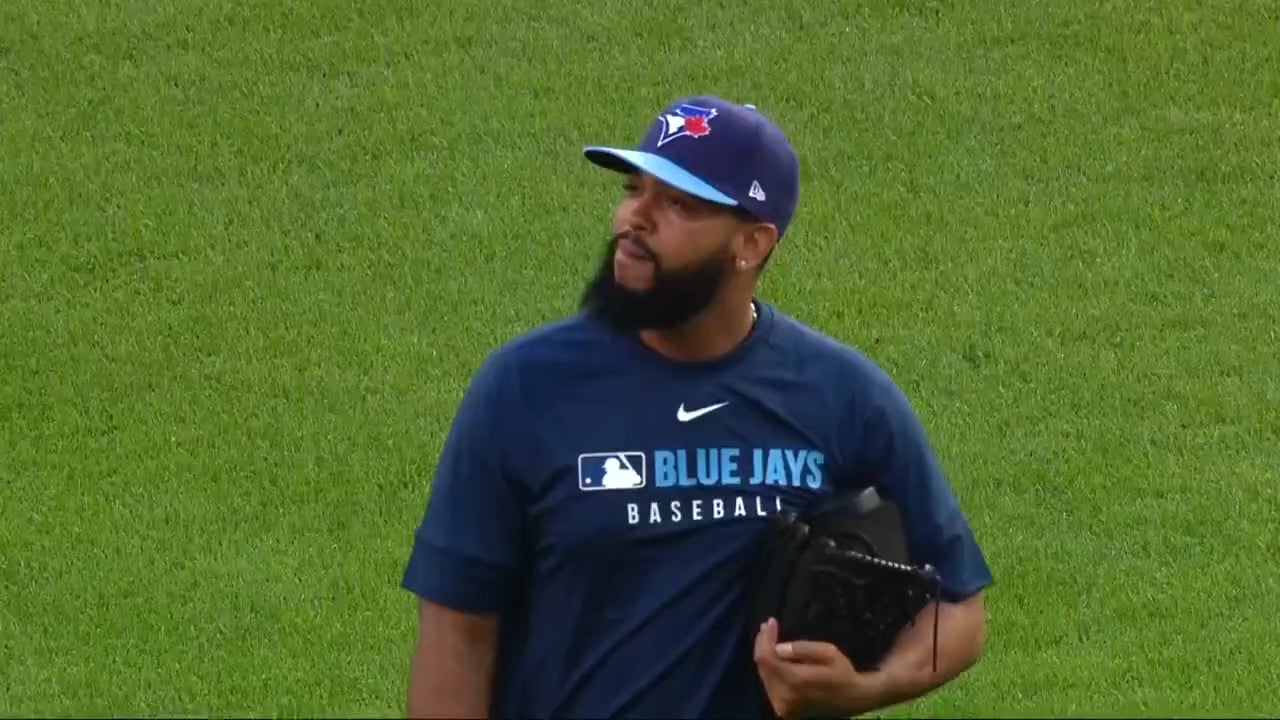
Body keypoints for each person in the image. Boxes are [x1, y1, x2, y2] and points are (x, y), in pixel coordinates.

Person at [400, 94, 994, 719]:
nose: (634, 218)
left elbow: (959, 607)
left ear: (752, 243)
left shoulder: (843, 397)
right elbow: (456, 634)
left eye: (677, 204)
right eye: (635, 190)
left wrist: (865, 689)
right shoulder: (526, 389)